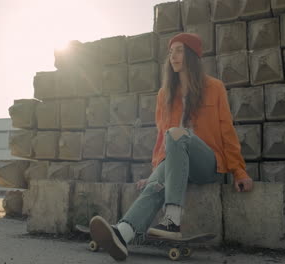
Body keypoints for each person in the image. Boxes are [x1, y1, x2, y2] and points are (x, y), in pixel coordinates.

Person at [89, 33, 254, 261]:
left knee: (176, 134)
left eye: (179, 50)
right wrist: (155, 171)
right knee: (157, 180)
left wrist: (239, 171)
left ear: (192, 56)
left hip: (207, 164)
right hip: (174, 165)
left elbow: (227, 131)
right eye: (171, 52)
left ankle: (172, 219)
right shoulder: (164, 94)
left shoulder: (215, 87)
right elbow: (161, 139)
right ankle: (123, 233)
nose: (173, 56)